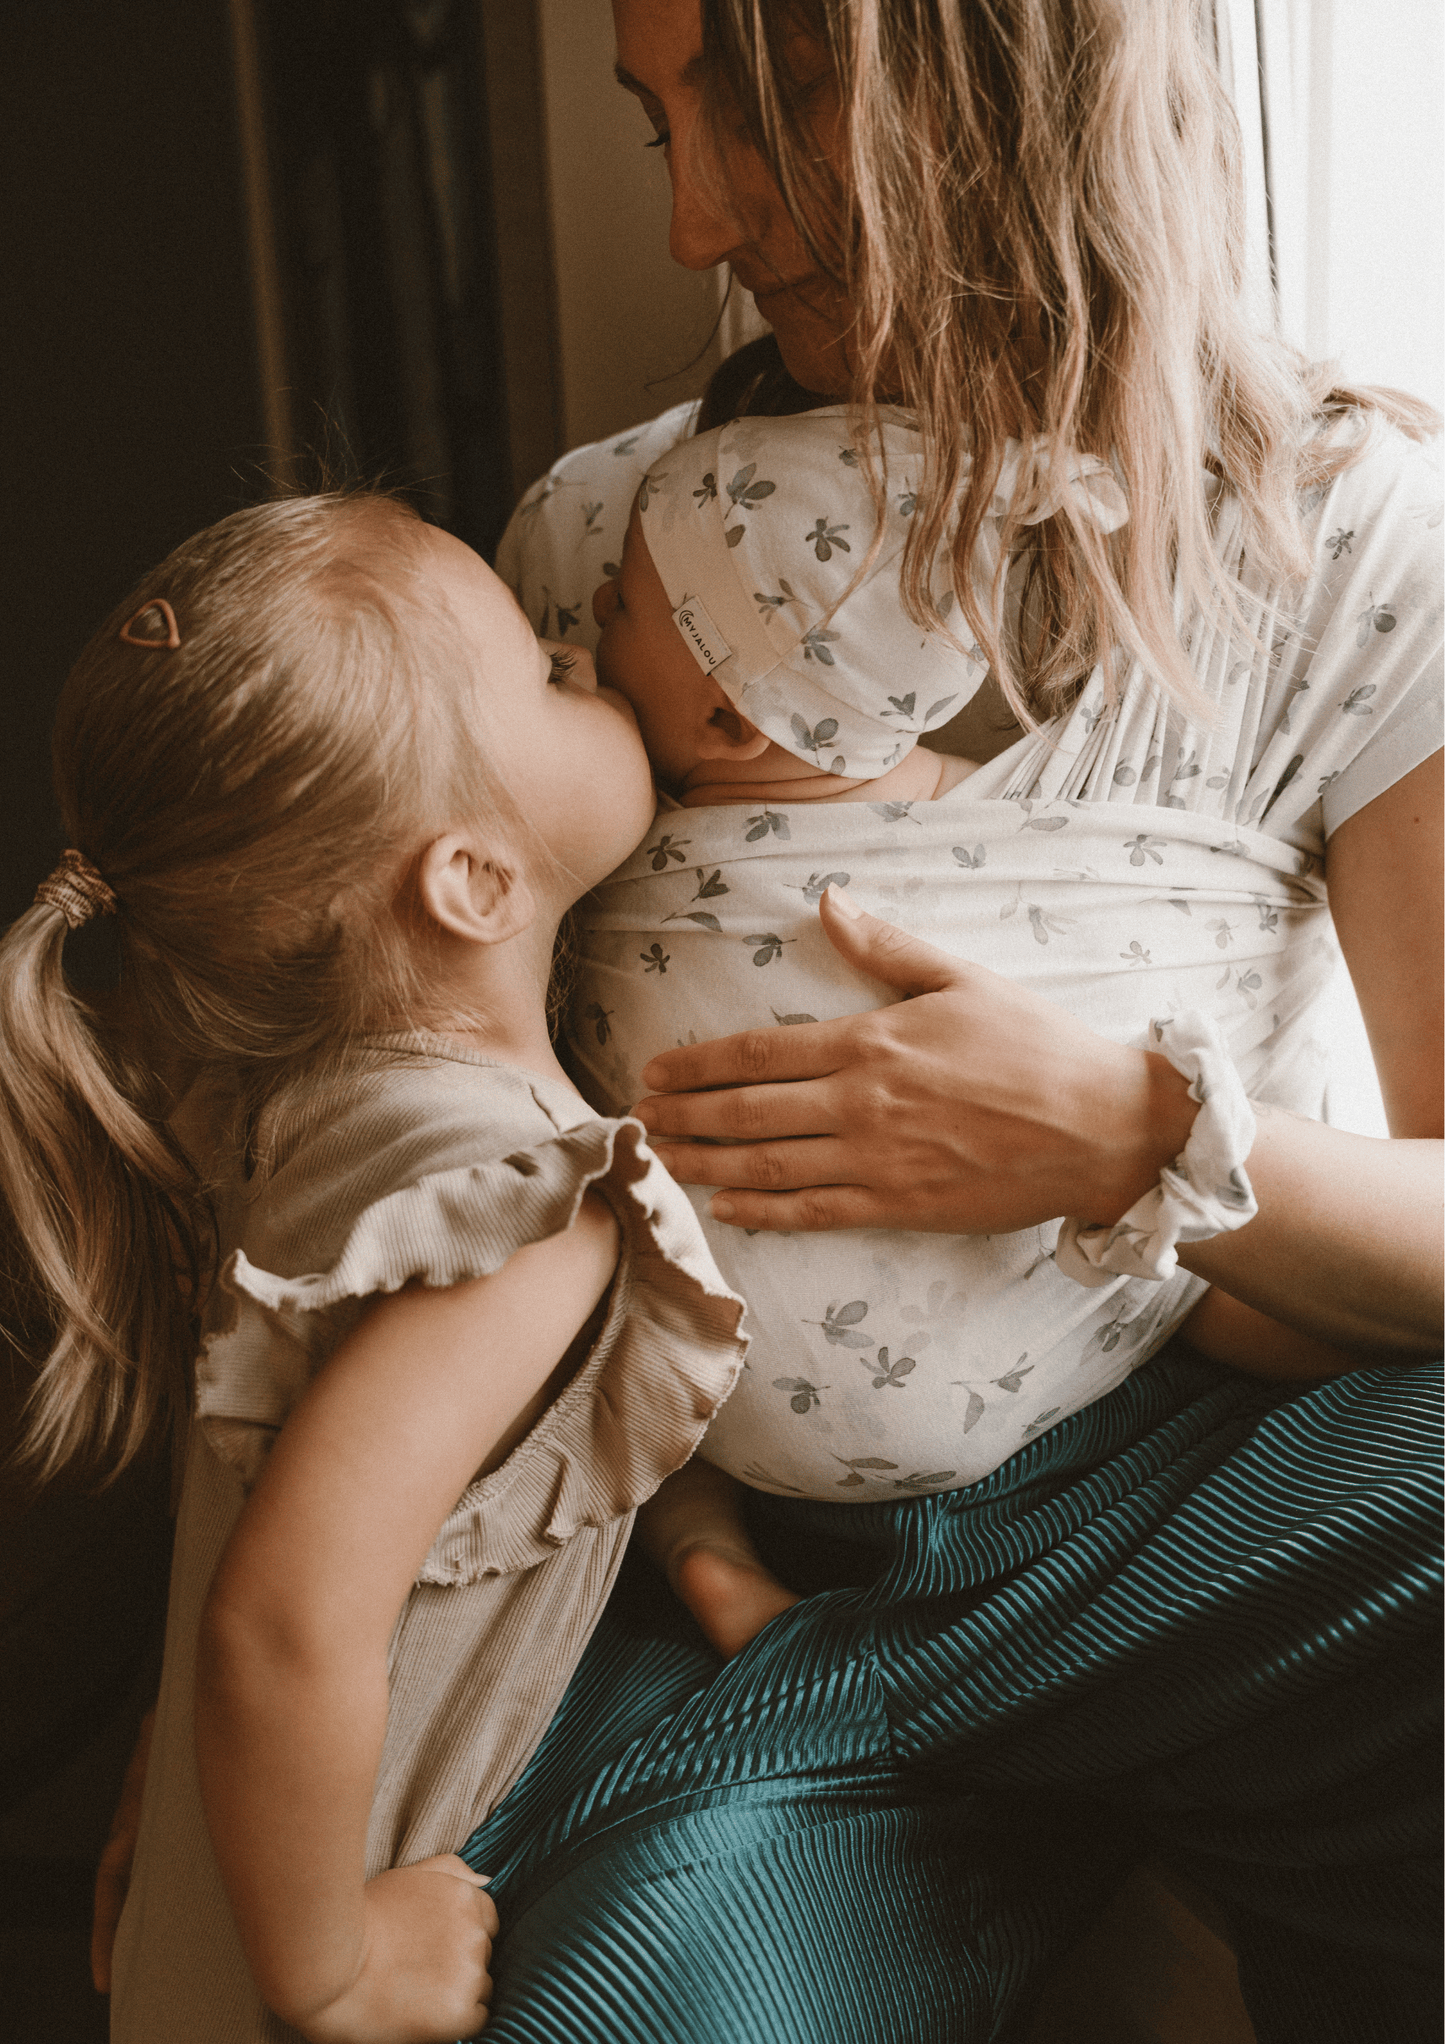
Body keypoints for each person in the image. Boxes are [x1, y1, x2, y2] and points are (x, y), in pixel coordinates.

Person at [463, 4, 1440, 2040]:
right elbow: (428, 1113)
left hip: (1193, 1504)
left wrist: (1124, 1133)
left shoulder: (1345, 533)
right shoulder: (593, 558)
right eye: (659, 126)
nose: (696, 219)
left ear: (1016, 66)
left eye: (763, 95)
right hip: (760, 1580)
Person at [0, 490, 750, 2042]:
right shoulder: (516, 1212)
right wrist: (331, 1966)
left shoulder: (301, 1117)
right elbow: (282, 1619)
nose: (570, 655)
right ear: (473, 880)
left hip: (214, 1907)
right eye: (539, 678)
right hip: (323, 1956)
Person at [577, 401, 1381, 1660]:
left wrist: (1132, 1129)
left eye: (614, 609)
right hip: (961, 1386)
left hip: (725, 1418)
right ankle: (703, 1544)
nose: (579, 625)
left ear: (730, 720)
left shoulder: (627, 833)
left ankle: (704, 1546)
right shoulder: (1048, 851)